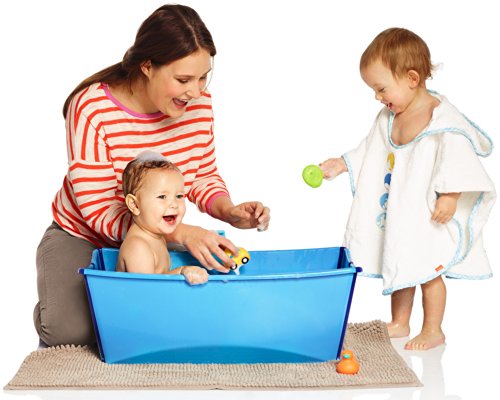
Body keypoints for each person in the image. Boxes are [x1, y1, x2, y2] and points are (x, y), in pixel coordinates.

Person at [34, 4, 270, 346]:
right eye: (183, 80)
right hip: (85, 236)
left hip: (158, 236)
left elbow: (202, 176)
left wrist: (228, 210)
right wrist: (183, 233)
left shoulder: (198, 104)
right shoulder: (91, 108)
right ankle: (57, 301)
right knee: (70, 332)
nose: (196, 92)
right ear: (147, 66)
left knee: (202, 307)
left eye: (203, 77)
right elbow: (98, 210)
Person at [319, 28, 495, 350]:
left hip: (427, 214)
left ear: (412, 78)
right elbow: (370, 150)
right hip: (400, 211)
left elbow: (457, 162)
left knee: (428, 271)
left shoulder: (442, 121)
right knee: (399, 263)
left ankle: (433, 329)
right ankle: (400, 322)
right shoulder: (388, 118)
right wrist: (343, 163)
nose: (377, 97)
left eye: (381, 88)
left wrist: (450, 196)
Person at [116, 151, 208, 285]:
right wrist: (181, 271)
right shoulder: (138, 247)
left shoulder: (155, 235)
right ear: (135, 205)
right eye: (162, 197)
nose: (174, 204)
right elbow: (146, 290)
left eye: (179, 196)